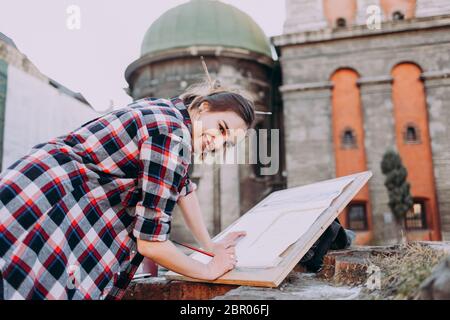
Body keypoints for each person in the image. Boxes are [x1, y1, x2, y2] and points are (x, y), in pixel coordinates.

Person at [0, 83, 254, 300]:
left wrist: (210, 246)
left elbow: (183, 190)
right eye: (222, 128)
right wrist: (210, 271)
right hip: (49, 203)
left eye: (227, 142)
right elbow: (152, 244)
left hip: (33, 189)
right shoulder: (173, 136)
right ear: (204, 107)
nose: (218, 142)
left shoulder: (167, 111)